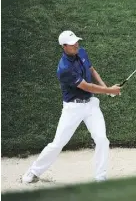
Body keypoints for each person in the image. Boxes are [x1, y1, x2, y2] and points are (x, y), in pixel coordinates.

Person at [22, 30, 121, 183]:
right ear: (64, 46)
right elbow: (86, 86)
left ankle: (100, 178)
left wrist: (106, 88)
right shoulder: (64, 69)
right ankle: (33, 171)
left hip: (91, 106)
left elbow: (91, 70)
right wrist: (109, 90)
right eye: (72, 43)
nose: (76, 44)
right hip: (73, 109)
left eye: (76, 41)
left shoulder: (81, 52)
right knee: (58, 143)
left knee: (102, 139)